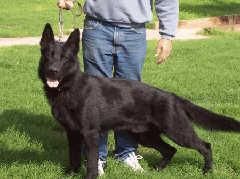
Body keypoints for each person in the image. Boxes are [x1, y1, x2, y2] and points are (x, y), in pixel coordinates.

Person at [58, 0, 179, 175]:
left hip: (134, 30)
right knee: (93, 100)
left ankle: (127, 152)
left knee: (129, 100)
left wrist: (167, 35)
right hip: (96, 27)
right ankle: (96, 156)